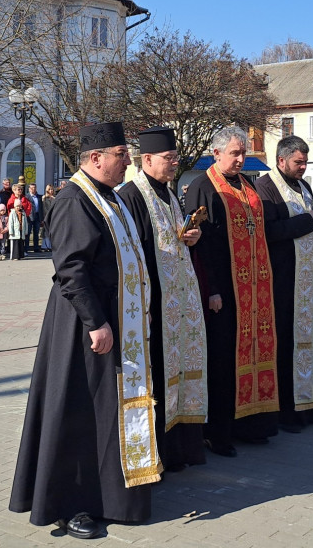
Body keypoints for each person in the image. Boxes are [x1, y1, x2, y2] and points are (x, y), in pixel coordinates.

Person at [10, 122, 159, 539]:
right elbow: (71, 269)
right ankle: (69, 504)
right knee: (76, 412)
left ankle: (108, 495)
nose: (128, 160)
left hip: (113, 319)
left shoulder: (109, 196)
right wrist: (97, 323)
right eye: (121, 154)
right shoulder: (75, 199)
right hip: (83, 325)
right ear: (95, 158)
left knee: (103, 412)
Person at [186, 125, 279, 457]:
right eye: (235, 153)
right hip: (224, 291)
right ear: (217, 153)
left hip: (255, 290)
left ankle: (251, 424)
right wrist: (211, 288)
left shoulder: (247, 186)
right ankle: (218, 432)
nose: (241, 159)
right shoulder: (203, 187)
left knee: (255, 352)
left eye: (244, 153)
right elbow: (202, 245)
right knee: (224, 360)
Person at [119, 127, 208, 474]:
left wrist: (192, 235)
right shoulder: (131, 195)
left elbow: (174, 238)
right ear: (147, 159)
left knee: (181, 372)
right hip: (155, 305)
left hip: (180, 307)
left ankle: (179, 450)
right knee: (157, 377)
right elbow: (133, 254)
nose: (174, 164)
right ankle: (157, 453)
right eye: (168, 159)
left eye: (175, 158)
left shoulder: (169, 194)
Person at [255, 136, 313, 433]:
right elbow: (269, 232)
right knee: (288, 345)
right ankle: (288, 412)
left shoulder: (304, 186)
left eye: (304, 162)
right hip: (285, 281)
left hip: (311, 284)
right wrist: (309, 221)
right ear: (281, 161)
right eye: (297, 162)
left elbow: (309, 222)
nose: (303, 167)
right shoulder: (264, 187)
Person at [7, 191, 27, 261]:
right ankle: (14, 256)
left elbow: (25, 223)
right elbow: (11, 222)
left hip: (21, 230)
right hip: (15, 231)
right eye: (17, 206)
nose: (18, 207)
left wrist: (26, 231)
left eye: (19, 206)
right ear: (14, 206)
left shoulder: (23, 213)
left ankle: (21, 255)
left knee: (21, 243)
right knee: (15, 244)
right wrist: (11, 231)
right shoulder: (12, 213)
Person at [26, 183, 42, 253]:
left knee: (36, 233)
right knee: (28, 233)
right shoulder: (27, 197)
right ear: (29, 189)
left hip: (37, 216)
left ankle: (36, 247)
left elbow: (41, 207)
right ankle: (26, 248)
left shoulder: (39, 197)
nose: (33, 189)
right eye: (32, 188)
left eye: (34, 188)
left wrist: (42, 218)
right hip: (29, 217)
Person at [39, 184, 56, 251]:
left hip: (53, 217)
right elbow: (43, 208)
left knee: (52, 232)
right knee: (45, 232)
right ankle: (45, 246)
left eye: (52, 189)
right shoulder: (44, 198)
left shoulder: (55, 198)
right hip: (46, 216)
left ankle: (51, 246)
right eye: (49, 189)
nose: (51, 191)